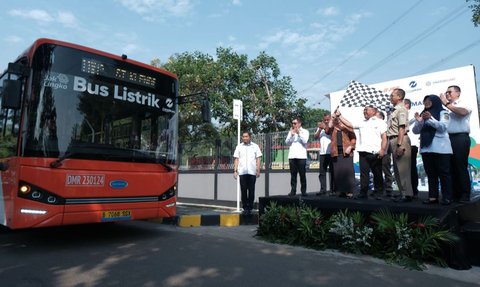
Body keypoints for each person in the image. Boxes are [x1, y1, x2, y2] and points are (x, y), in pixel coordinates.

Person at [336, 105, 387, 200]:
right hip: (363, 151)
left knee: (377, 173)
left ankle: (379, 192)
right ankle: (363, 193)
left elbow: (384, 137)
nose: (364, 111)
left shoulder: (380, 122)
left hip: (375, 152)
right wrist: (340, 116)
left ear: (374, 111)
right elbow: (350, 124)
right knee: (364, 174)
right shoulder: (362, 122)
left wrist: (383, 149)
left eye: (366, 110)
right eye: (364, 110)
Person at [412, 95, 452, 205]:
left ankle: (447, 197)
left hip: (441, 148)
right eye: (425, 101)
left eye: (429, 100)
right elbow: (415, 131)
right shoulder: (423, 113)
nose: (426, 102)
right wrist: (420, 122)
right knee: (431, 174)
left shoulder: (443, 113)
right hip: (426, 149)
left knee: (444, 174)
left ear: (435, 101)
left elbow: (443, 127)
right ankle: (433, 197)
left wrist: (430, 119)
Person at [440, 85, 472, 202]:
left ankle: (465, 194)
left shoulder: (463, 102)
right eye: (446, 92)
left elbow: (462, 112)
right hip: (447, 138)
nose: (447, 94)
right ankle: (454, 193)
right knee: (450, 167)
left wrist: (447, 104)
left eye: (450, 92)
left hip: (460, 138)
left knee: (460, 166)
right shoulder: (446, 108)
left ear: (458, 93)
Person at [387, 88, 413, 202]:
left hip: (400, 139)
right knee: (397, 169)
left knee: (403, 169)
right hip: (393, 139)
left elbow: (401, 128)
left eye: (392, 95)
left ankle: (407, 194)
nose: (390, 97)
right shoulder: (394, 110)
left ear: (399, 97)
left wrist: (399, 145)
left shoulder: (401, 109)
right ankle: (402, 193)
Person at [328, 112, 356, 198]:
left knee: (348, 172)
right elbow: (328, 128)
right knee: (338, 172)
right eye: (336, 120)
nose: (337, 122)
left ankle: (350, 191)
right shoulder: (332, 129)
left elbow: (353, 138)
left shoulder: (347, 128)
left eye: (338, 120)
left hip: (346, 152)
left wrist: (350, 147)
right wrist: (332, 118)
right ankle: (341, 191)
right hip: (336, 152)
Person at [233, 131, 262, 214]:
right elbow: (236, 159)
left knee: (251, 190)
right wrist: (235, 170)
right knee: (243, 190)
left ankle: (250, 207)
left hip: (252, 172)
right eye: (243, 136)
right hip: (242, 172)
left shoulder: (255, 146)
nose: (245, 138)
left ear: (250, 137)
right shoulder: (239, 147)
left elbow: (258, 158)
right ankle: (245, 207)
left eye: (246, 136)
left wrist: (258, 170)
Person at [285, 117, 309, 196]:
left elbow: (305, 141)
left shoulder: (305, 131)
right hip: (292, 156)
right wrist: (291, 135)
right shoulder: (291, 131)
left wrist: (298, 133)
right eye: (292, 123)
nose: (293, 125)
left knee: (302, 175)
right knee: (293, 175)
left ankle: (303, 191)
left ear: (299, 124)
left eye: (295, 123)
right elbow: (287, 143)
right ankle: (293, 191)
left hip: (301, 156)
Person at [314, 114, 335, 196]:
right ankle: (323, 189)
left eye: (327, 120)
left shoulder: (332, 126)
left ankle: (333, 189)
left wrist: (325, 127)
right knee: (322, 172)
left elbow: (332, 135)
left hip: (331, 152)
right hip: (322, 153)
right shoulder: (321, 128)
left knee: (332, 172)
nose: (326, 121)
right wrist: (319, 129)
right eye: (325, 120)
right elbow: (315, 137)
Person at [376, 111, 395, 197]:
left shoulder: (386, 125)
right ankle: (378, 189)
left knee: (386, 170)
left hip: (385, 152)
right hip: (375, 151)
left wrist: (384, 150)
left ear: (381, 118)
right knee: (376, 171)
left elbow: (387, 139)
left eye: (376, 117)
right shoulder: (373, 125)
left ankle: (388, 189)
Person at [405, 99, 420, 198]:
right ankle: (406, 191)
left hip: (411, 144)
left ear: (406, 105)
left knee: (411, 168)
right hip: (402, 144)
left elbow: (405, 124)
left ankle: (414, 190)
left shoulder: (413, 113)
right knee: (404, 169)